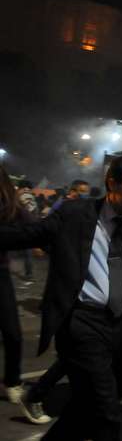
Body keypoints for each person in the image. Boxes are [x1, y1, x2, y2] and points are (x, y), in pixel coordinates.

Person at [0, 154, 122, 441]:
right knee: (106, 411)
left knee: (88, 407)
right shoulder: (76, 214)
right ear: (111, 184)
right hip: (83, 322)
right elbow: (27, 234)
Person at [0, 166, 29, 405]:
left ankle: (12, 380)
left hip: (0, 274)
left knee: (13, 334)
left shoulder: (10, 202)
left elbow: (34, 227)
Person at [15, 179, 37, 285]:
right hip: (30, 225)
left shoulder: (23, 195)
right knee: (27, 251)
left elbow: (25, 210)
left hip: (23, 226)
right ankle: (29, 274)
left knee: (27, 251)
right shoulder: (30, 195)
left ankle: (29, 274)